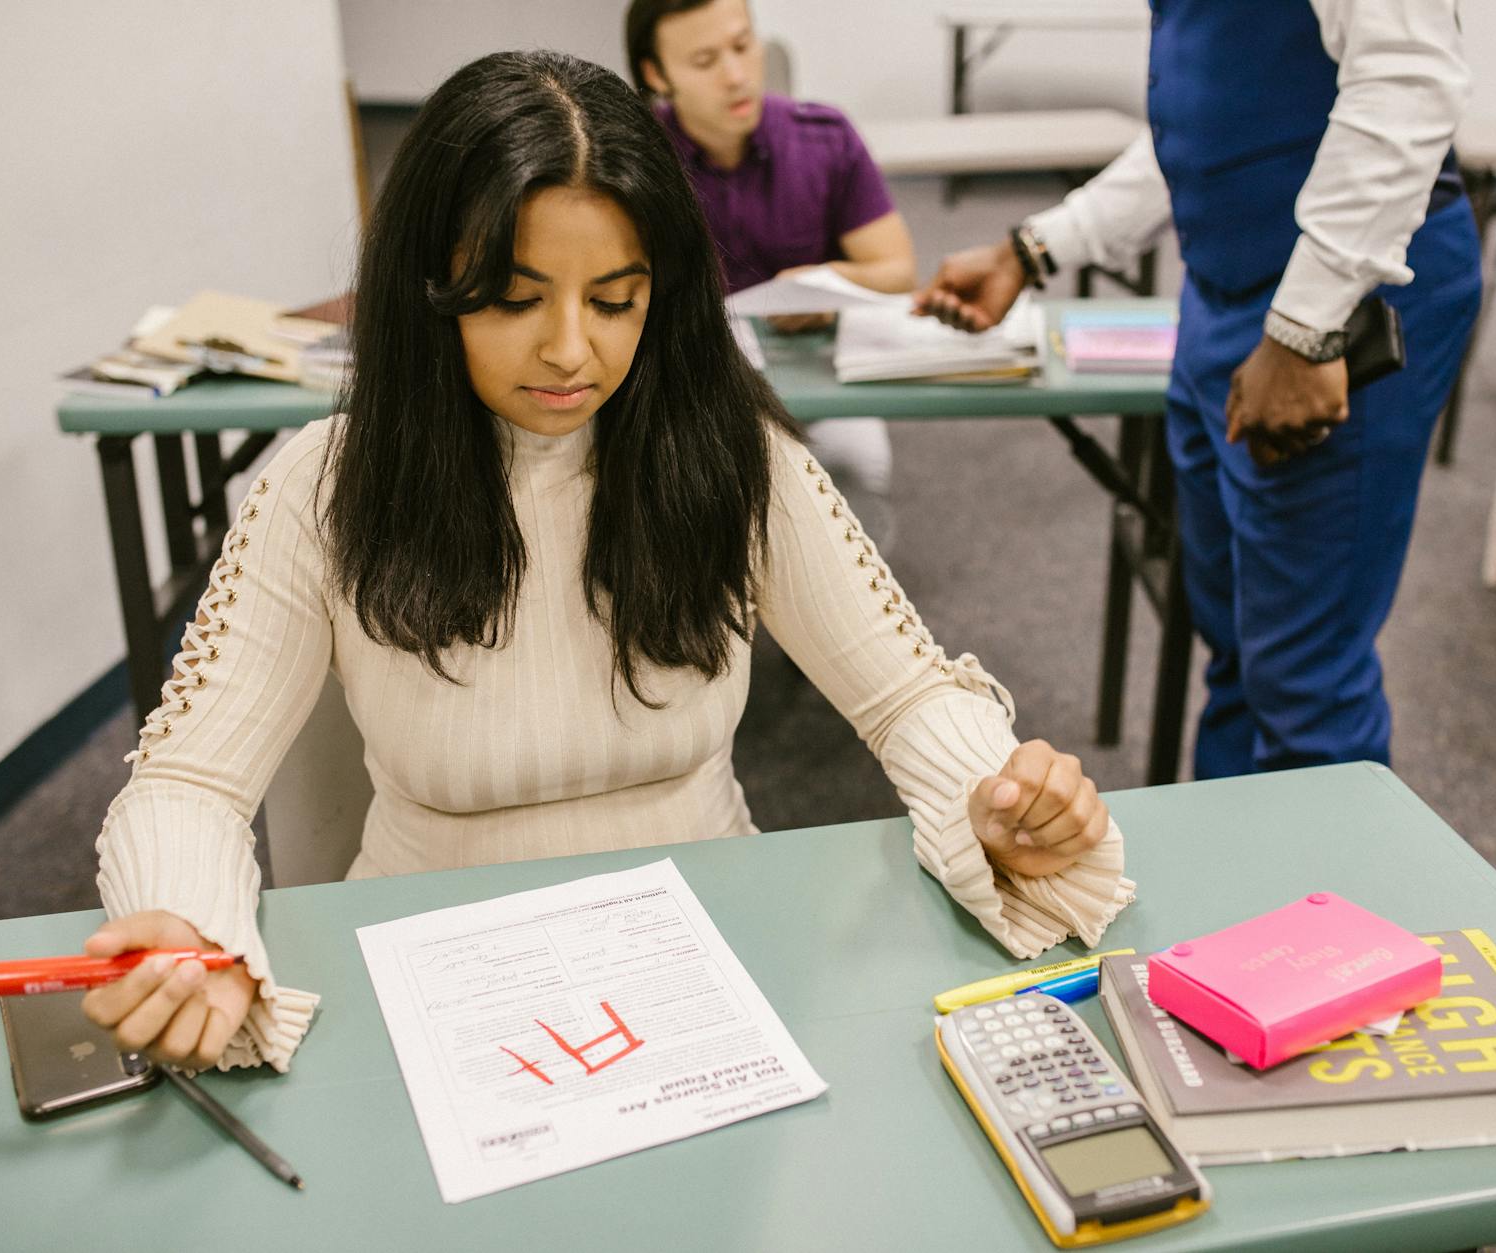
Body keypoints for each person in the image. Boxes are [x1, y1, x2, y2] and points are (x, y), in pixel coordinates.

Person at [79, 50, 1132, 1073]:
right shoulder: (328, 483)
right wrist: (188, 933)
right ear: (430, 288)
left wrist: (995, 797)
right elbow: (187, 780)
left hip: (707, 961)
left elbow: (905, 692)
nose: (571, 350)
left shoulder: (733, 454)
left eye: (615, 300)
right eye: (514, 297)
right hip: (433, 979)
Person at [914, 0, 1482, 779]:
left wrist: (1303, 328)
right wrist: (1037, 248)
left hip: (1341, 302)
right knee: (1237, 641)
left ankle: (1324, 892)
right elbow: (1220, 116)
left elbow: (1407, 82)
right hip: (1225, 298)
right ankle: (1239, 888)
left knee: (1303, 674)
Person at [626, 0, 910, 547]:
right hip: (684, 387)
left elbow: (897, 270)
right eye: (706, 60)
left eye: (742, 45)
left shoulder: (824, 138)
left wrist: (827, 284)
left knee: (855, 482)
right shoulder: (633, 163)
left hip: (813, 380)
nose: (736, 75)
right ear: (657, 74)